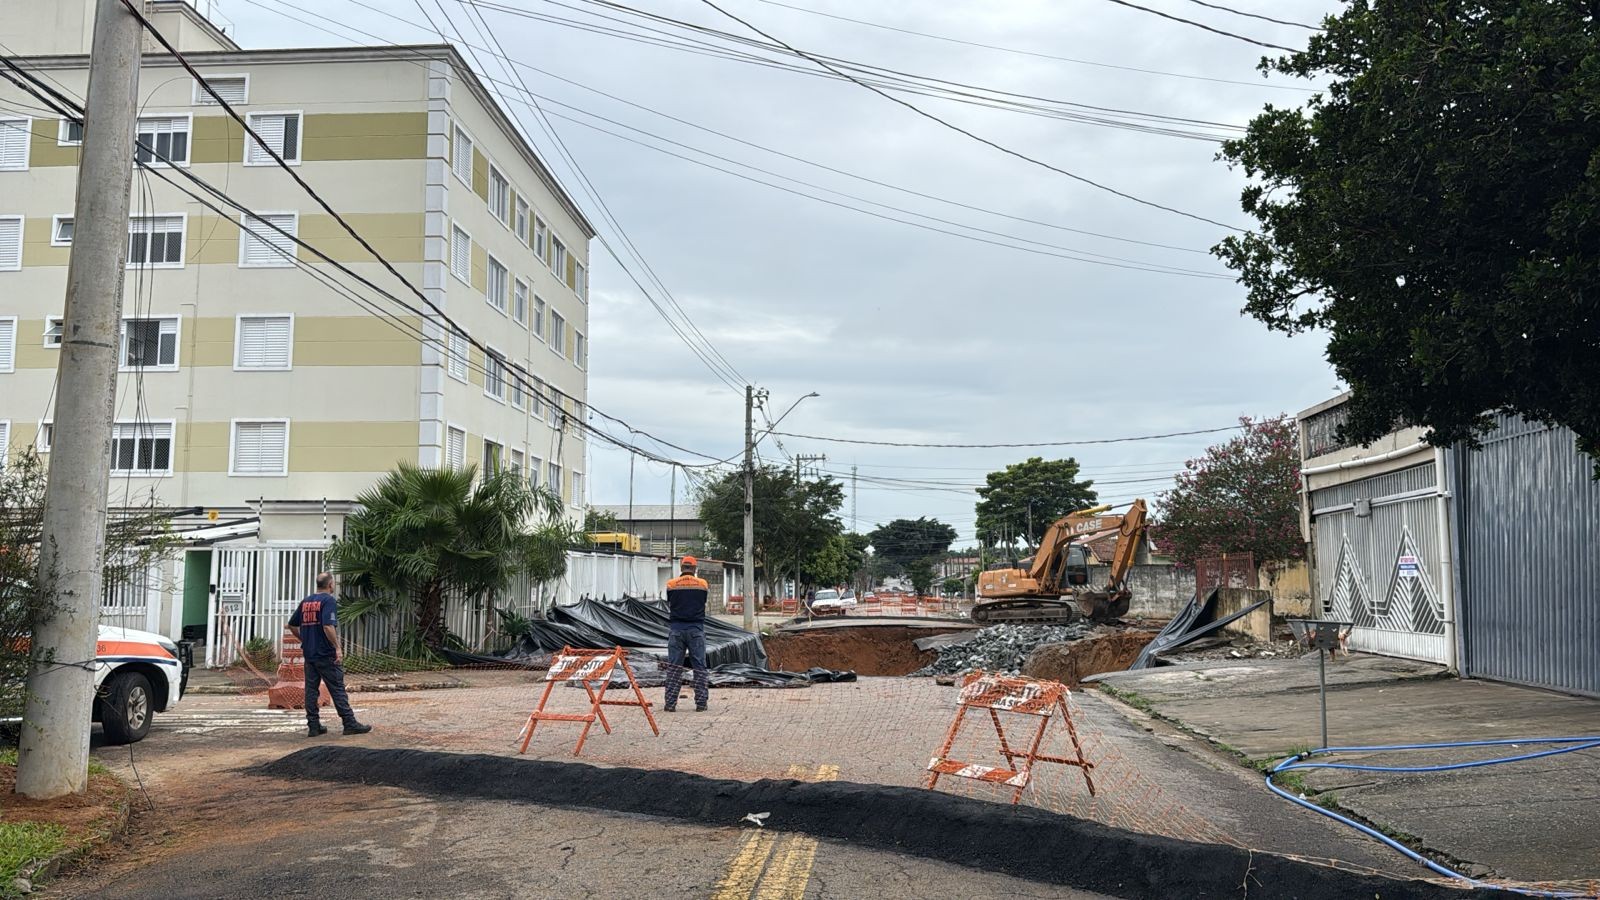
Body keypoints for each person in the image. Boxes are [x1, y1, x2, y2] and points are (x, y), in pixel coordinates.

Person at [285, 572, 372, 737]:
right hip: (325, 653)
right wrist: (337, 647)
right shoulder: (329, 601)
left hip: (310, 654)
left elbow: (291, 625)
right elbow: (328, 626)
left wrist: (304, 638)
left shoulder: (306, 601)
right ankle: (349, 722)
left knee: (311, 690)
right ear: (330, 584)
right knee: (337, 688)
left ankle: (313, 725)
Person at [663, 555, 710, 712]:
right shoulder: (702, 584)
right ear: (695, 569)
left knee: (674, 667)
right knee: (699, 668)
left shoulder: (671, 584)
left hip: (676, 630)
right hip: (696, 629)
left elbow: (671, 601)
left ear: (682, 568)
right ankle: (701, 704)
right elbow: (702, 601)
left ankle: (670, 704)